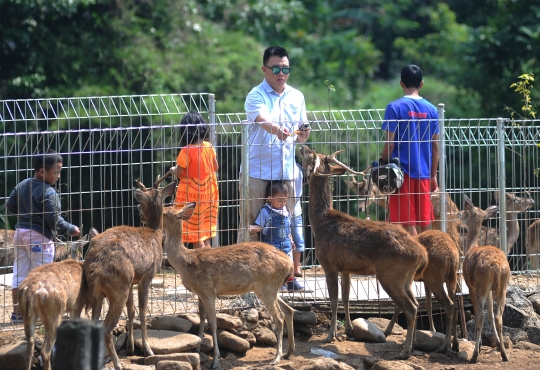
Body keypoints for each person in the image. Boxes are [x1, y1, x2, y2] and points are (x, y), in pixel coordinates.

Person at [239, 45, 311, 243]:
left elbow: (300, 135)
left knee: (283, 227)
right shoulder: (255, 95)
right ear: (264, 70)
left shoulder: (297, 97)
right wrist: (277, 131)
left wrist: (304, 134)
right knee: (252, 227)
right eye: (276, 69)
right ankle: (247, 272)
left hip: (285, 172)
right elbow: (262, 120)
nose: (281, 73)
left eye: (285, 69)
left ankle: (284, 272)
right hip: (257, 171)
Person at [6, 149, 80, 323]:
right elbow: (54, 220)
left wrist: (26, 214)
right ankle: (39, 315)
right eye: (56, 172)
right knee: (43, 276)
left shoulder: (23, 184)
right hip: (39, 237)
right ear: (42, 171)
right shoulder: (49, 193)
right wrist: (70, 229)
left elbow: (10, 205)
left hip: (20, 233)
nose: (58, 176)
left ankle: (18, 314)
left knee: (20, 274)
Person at [379, 64, 439, 236]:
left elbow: (389, 144)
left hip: (401, 173)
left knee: (405, 222)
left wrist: (383, 163)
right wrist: (433, 175)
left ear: (401, 83)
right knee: (424, 220)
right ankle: (428, 256)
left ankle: (418, 257)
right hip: (424, 172)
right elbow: (435, 146)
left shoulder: (394, 107)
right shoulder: (432, 110)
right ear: (421, 84)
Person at [171, 111, 219, 249]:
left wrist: (173, 170)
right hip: (209, 193)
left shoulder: (186, 151)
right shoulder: (209, 147)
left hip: (191, 194)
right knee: (205, 230)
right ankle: (211, 258)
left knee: (193, 231)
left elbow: (178, 173)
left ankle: (203, 265)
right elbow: (216, 167)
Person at [250, 181, 305, 292]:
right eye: (280, 201)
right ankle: (278, 284)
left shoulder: (285, 210)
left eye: (285, 200)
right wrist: (250, 228)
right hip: (272, 244)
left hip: (286, 243)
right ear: (270, 199)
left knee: (288, 262)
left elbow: (288, 227)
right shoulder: (265, 211)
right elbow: (260, 226)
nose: (283, 203)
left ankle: (291, 282)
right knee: (274, 264)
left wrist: (291, 240)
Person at [291, 162, 305, 277]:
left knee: (298, 240)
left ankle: (296, 267)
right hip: (283, 211)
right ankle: (291, 268)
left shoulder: (297, 169)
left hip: (296, 211)